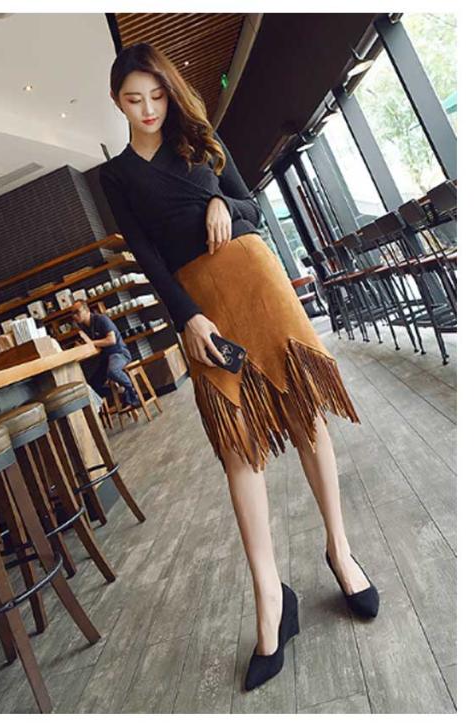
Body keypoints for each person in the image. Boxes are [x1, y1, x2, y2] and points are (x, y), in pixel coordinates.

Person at [98, 42, 379, 692]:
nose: (148, 109)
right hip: (202, 310)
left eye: (156, 95)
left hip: (257, 283)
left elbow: (251, 207)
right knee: (238, 450)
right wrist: (187, 319)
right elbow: (148, 260)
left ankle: (340, 551)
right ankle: (270, 598)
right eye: (134, 99)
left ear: (169, 91)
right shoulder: (117, 177)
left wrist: (225, 206)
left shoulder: (199, 138)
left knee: (306, 418)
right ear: (117, 102)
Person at [71, 300, 141, 408]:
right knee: (93, 385)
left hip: (119, 353)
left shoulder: (101, 319)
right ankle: (122, 392)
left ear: (86, 310)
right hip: (105, 358)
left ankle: (132, 392)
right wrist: (82, 346)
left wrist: (91, 343)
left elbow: (111, 340)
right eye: (73, 313)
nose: (75, 316)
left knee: (112, 371)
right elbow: (94, 345)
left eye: (77, 312)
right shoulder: (84, 328)